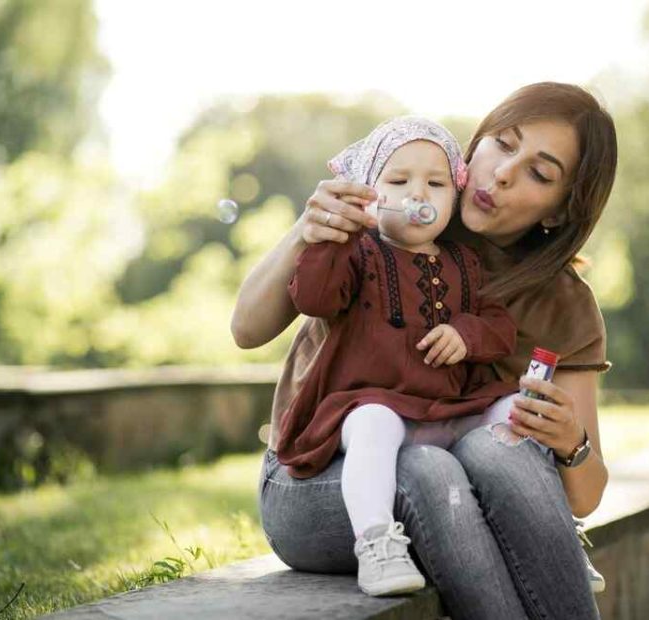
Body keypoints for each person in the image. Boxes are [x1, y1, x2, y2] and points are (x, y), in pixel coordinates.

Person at [234, 82, 617, 619]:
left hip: (465, 489)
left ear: (559, 210)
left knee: (494, 446)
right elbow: (246, 329)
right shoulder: (391, 215)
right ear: (477, 143)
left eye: (539, 172)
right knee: (429, 469)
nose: (504, 172)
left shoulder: (564, 305)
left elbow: (584, 495)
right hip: (319, 480)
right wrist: (307, 230)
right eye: (503, 144)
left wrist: (570, 442)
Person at [278, 116, 518, 596]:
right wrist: (330, 238)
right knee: (373, 422)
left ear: (456, 194)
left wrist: (466, 335)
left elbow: (500, 327)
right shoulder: (358, 253)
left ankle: (541, 530)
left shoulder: (464, 264)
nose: (419, 194)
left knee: (515, 410)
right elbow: (314, 299)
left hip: (448, 414)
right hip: (373, 409)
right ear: (370, 191)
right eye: (398, 180)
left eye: (436, 183)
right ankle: (377, 544)